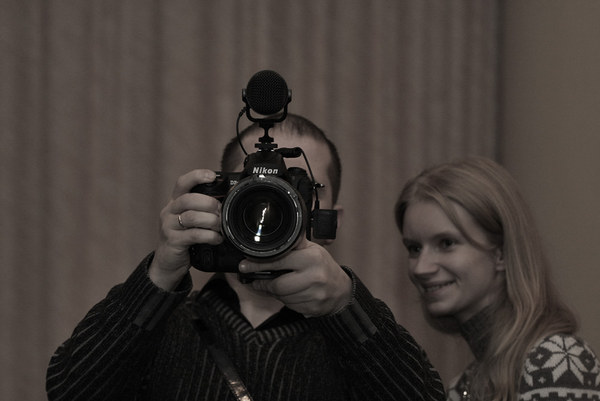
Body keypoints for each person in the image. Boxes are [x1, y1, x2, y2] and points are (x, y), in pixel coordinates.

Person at [47, 113, 445, 401]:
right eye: (254, 187)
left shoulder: (356, 337)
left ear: (329, 221)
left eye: (300, 189)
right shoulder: (165, 327)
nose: (276, 204)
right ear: (219, 201)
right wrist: (159, 276)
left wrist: (348, 307)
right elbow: (70, 390)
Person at [394, 156, 600, 401]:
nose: (421, 268)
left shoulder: (557, 362)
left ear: (501, 252)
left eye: (446, 243)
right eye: (414, 248)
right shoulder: (462, 386)